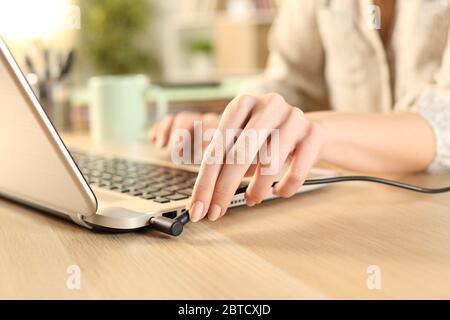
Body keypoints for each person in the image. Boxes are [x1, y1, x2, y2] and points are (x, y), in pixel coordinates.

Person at [149, 0, 450, 222]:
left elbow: (443, 122)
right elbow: (289, 81)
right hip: (355, 212)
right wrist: (235, 125)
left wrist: (313, 133)